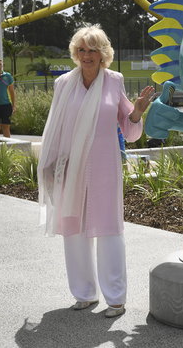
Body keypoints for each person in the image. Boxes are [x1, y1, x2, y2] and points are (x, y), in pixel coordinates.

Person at [37, 24, 154, 318]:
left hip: (104, 167)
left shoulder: (114, 81)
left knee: (109, 230)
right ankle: (84, 294)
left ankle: (116, 298)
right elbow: (55, 127)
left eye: (92, 50)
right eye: (81, 49)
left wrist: (137, 111)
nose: (86, 55)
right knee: (73, 229)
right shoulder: (63, 83)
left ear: (103, 54)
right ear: (75, 53)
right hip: (68, 167)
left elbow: (129, 131)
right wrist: (49, 164)